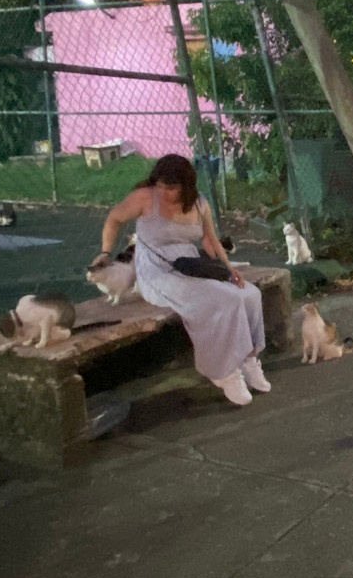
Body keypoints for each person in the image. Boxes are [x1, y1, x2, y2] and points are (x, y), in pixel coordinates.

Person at [95, 154, 269, 405]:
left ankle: (247, 359)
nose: (164, 193)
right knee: (225, 300)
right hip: (156, 271)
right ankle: (223, 372)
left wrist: (229, 268)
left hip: (189, 264)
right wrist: (105, 252)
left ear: (186, 186)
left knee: (250, 294)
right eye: (160, 186)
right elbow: (114, 218)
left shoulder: (199, 203)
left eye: (171, 188)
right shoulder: (145, 197)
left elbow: (210, 239)